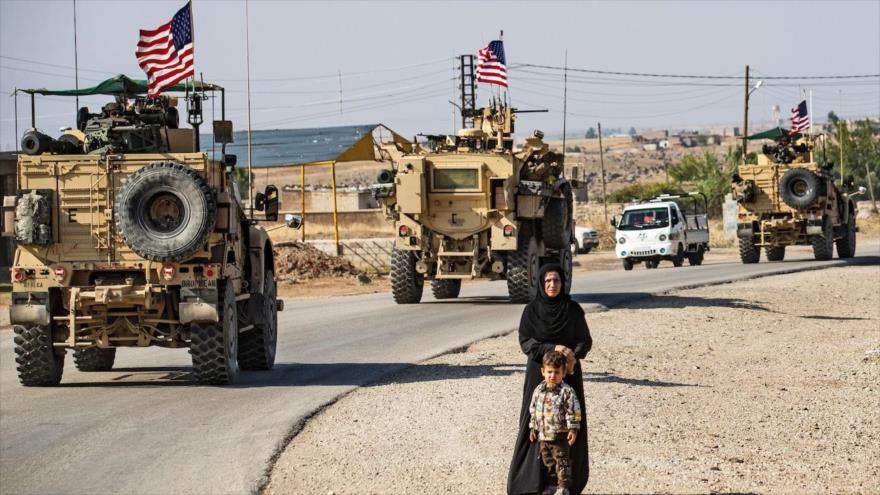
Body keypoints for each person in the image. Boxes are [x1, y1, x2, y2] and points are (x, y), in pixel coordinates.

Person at [508, 264, 592, 495]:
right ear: (541, 284)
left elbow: (585, 340)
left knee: (569, 421)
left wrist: (571, 355)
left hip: (569, 374)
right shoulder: (532, 310)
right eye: (547, 281)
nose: (552, 285)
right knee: (534, 420)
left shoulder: (573, 310)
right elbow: (527, 342)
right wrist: (553, 348)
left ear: (563, 283)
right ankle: (532, 481)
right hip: (538, 373)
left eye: (556, 281)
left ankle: (564, 483)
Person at [528, 350, 582, 495]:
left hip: (559, 435)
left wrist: (573, 428)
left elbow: (573, 410)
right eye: (549, 372)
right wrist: (533, 428)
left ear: (563, 373)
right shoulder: (539, 390)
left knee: (562, 462)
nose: (553, 376)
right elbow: (534, 410)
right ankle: (552, 485)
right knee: (548, 462)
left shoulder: (566, 391)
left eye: (557, 372)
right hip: (544, 435)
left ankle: (563, 487)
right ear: (543, 371)